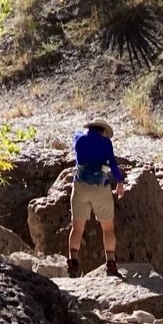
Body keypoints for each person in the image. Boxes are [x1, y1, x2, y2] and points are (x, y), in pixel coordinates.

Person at [67, 118, 125, 278]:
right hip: (100, 186)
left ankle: (73, 262)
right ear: (103, 130)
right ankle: (111, 263)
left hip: (80, 185)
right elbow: (112, 163)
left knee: (77, 228)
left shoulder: (78, 138)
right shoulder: (106, 143)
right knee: (107, 227)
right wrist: (119, 181)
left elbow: (77, 142)